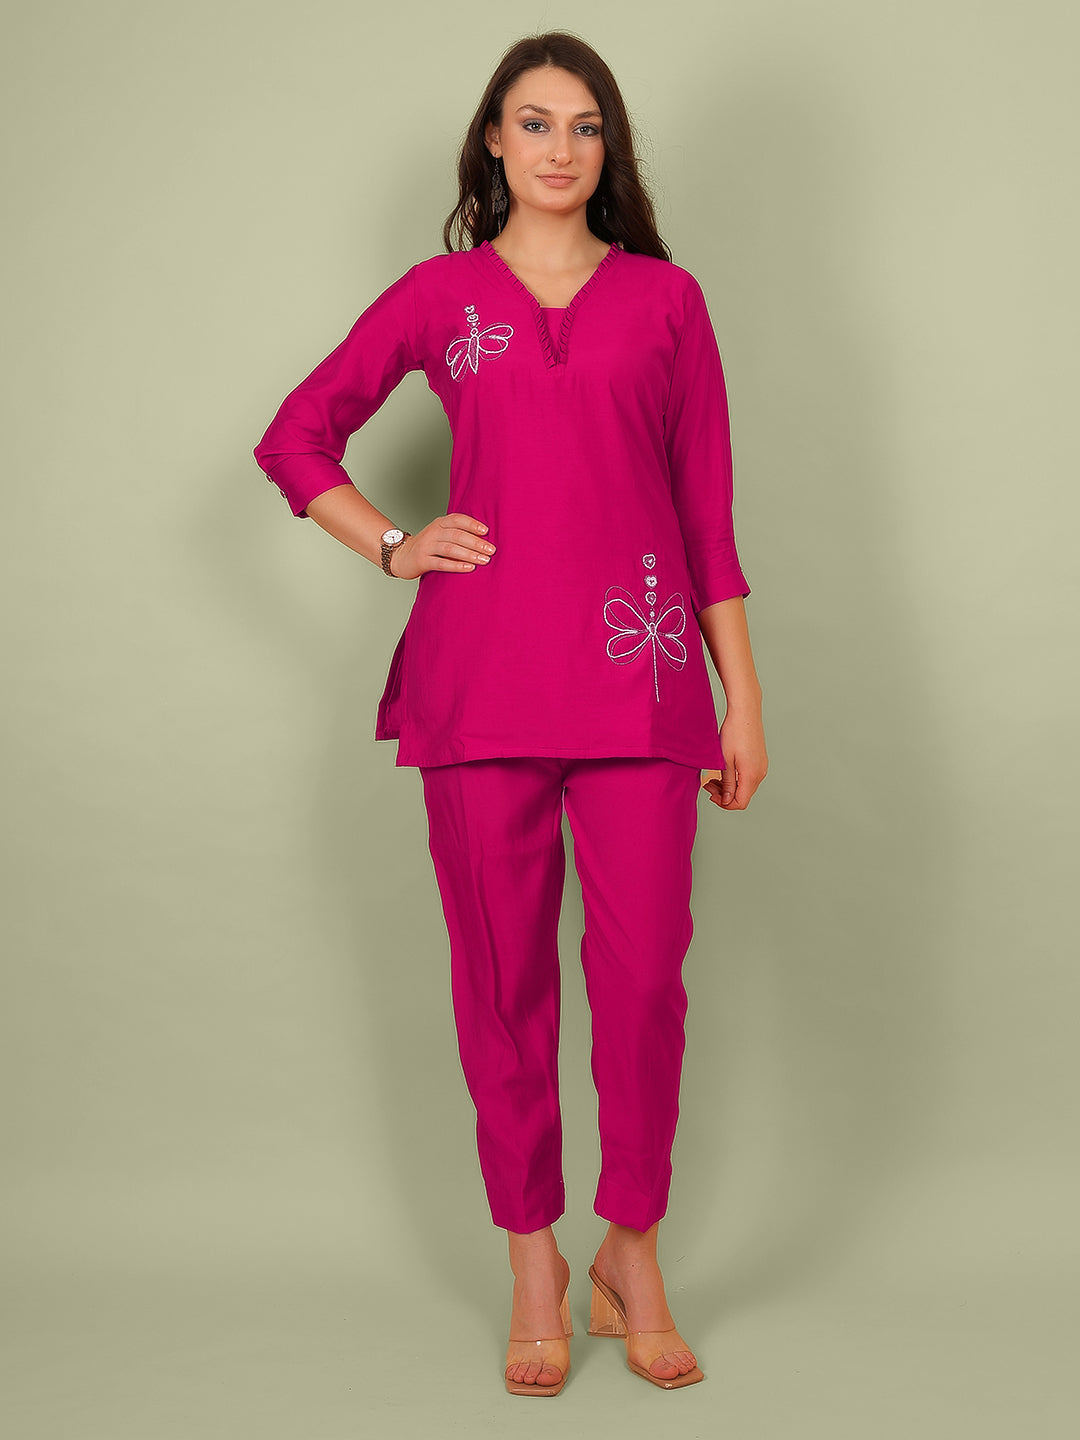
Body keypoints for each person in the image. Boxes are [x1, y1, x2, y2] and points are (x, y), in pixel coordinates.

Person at [253, 31, 767, 1397]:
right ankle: (534, 1260)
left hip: (643, 690)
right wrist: (393, 544)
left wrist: (744, 698)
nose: (559, 148)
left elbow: (708, 518)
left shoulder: (666, 300)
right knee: (503, 987)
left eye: (585, 126)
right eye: (533, 122)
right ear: (493, 139)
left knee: (644, 983)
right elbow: (296, 437)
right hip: (478, 688)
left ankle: (631, 1248)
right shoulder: (443, 296)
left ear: (611, 149)